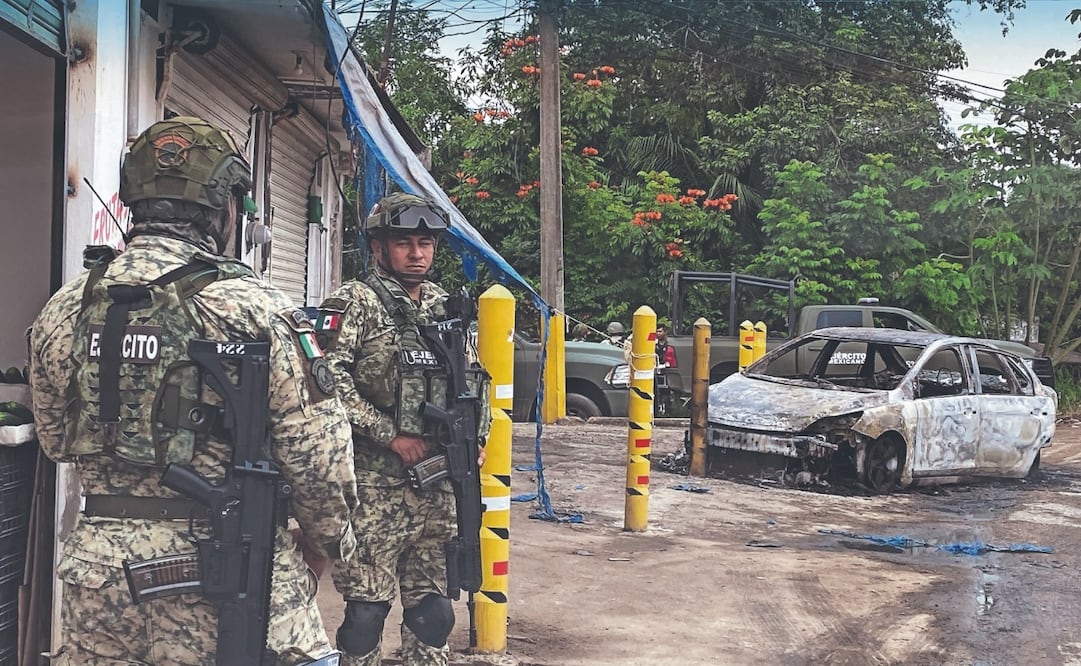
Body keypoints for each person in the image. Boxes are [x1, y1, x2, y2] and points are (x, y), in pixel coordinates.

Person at [27, 116, 358, 665]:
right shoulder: (256, 308)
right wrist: (325, 545)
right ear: (224, 207)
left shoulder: (65, 308)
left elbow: (57, 441)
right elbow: (319, 457)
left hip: (100, 580)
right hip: (227, 569)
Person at [317, 193, 488, 666]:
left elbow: (472, 378)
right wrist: (387, 434)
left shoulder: (444, 305)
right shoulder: (356, 302)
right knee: (365, 615)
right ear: (377, 248)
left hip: (438, 487)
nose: (417, 253)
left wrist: (478, 440)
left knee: (435, 612)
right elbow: (325, 383)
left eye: (426, 243)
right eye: (404, 243)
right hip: (375, 487)